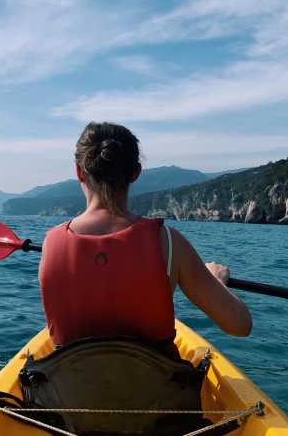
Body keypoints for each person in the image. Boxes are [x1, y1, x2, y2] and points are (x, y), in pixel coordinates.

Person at [39, 121, 252, 350]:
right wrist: (217, 281)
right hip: (153, 385)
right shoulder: (168, 242)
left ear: (79, 171)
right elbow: (239, 325)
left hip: (72, 385)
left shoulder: (52, 243)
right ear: (136, 173)